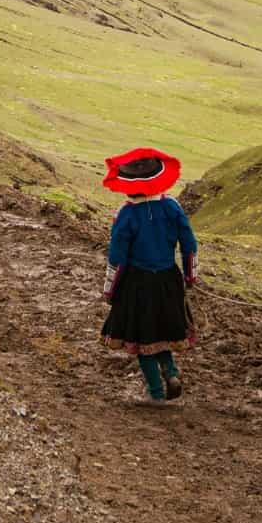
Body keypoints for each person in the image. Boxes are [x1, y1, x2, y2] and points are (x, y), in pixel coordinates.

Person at [98, 147, 198, 405]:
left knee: (143, 339)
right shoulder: (172, 207)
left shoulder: (127, 214)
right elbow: (189, 244)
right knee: (163, 332)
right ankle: (172, 373)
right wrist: (189, 276)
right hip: (168, 279)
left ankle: (155, 393)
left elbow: (117, 258)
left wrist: (109, 290)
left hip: (137, 284)